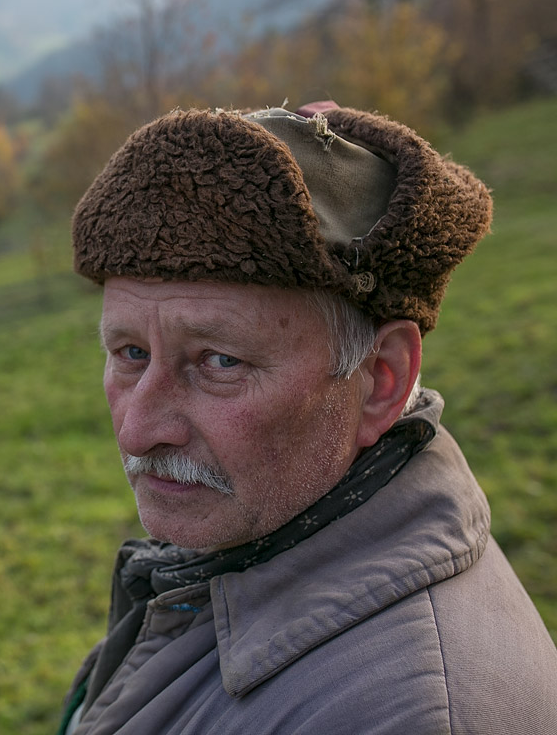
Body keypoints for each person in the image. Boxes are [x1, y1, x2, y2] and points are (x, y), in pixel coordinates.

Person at [59, 103, 557, 734]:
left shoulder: (410, 718)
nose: (137, 430)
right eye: (131, 353)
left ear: (380, 380)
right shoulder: (242, 539)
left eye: (220, 361)